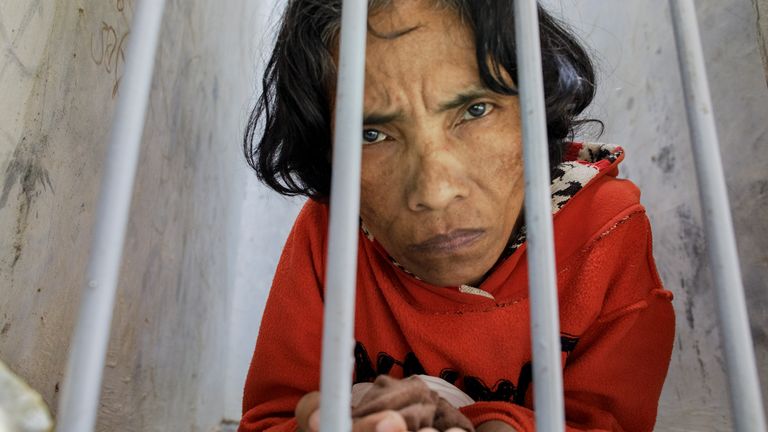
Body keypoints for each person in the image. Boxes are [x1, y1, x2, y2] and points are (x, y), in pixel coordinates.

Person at [239, 0, 675, 431]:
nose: (436, 191)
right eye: (372, 134)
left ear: (537, 106)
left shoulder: (606, 233)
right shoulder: (330, 234)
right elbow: (269, 419)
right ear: (327, 149)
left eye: (475, 110)